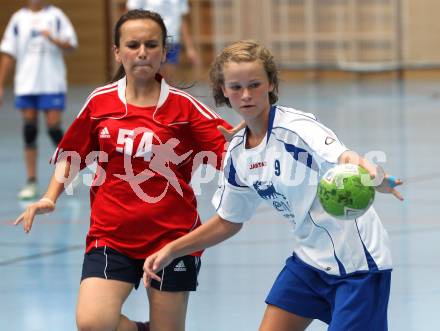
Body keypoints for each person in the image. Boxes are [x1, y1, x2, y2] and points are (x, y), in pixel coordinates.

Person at [143, 40, 404, 331]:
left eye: (254, 84)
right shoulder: (237, 153)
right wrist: (171, 250)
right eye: (236, 87)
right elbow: (229, 220)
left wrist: (369, 172)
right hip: (309, 262)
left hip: (358, 265)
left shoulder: (296, 128)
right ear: (223, 90)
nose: (246, 95)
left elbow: (344, 155)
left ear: (270, 84)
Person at [15, 10, 232, 331]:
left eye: (150, 44)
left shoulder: (185, 108)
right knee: (93, 323)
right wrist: (50, 196)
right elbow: (73, 153)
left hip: (172, 240)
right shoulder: (100, 103)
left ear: (163, 52)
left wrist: (253, 149)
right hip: (111, 237)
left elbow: (230, 152)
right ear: (118, 52)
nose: (142, 52)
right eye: (132, 45)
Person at [0, 0, 78, 200]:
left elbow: (71, 45)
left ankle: (69, 169)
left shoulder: (56, 16)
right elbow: (8, 53)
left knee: (53, 128)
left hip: (51, 82)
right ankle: (32, 181)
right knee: (29, 130)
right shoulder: (18, 19)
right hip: (27, 83)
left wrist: (53, 39)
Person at [126, 0, 200, 81]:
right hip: (150, 40)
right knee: (153, 77)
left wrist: (190, 48)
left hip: (172, 41)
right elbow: (131, 16)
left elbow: (182, 21)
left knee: (169, 78)